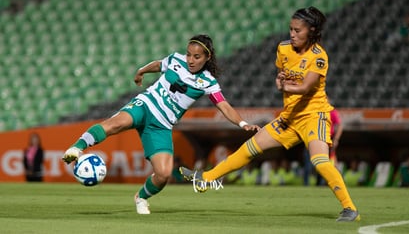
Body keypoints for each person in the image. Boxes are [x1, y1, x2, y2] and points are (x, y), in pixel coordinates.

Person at [180, 7, 360, 222]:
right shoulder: (283, 49)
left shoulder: (319, 57)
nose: (292, 34)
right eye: (290, 29)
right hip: (289, 118)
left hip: (314, 115)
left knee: (320, 161)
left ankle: (350, 208)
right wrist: (280, 79)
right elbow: (282, 74)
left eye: (297, 31)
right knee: (250, 147)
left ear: (312, 30)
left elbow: (305, 87)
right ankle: (207, 178)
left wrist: (283, 87)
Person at [61, 34, 260, 214]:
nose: (190, 60)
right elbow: (158, 64)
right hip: (146, 105)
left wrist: (242, 123)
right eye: (189, 54)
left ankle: (141, 198)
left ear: (207, 58)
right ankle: (77, 148)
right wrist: (141, 72)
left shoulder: (208, 82)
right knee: (115, 124)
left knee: (164, 174)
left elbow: (224, 106)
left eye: (196, 57)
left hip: (162, 125)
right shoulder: (175, 59)